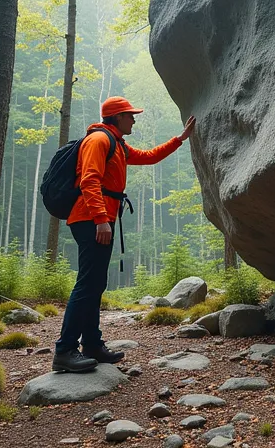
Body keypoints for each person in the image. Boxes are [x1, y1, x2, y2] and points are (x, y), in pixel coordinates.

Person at [52, 96, 196, 373]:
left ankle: (92, 344)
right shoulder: (98, 141)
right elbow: (89, 180)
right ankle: (64, 350)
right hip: (91, 219)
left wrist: (180, 139)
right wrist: (100, 220)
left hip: (99, 218)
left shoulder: (117, 143)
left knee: (95, 284)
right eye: (130, 115)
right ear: (117, 116)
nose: (134, 119)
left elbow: (148, 157)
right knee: (87, 285)